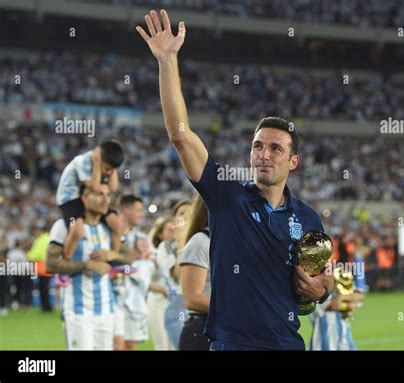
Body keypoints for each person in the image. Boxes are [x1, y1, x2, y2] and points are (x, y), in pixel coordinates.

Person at [136, 9, 334, 350]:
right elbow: (181, 137)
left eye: (275, 148)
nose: (264, 154)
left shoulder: (308, 218)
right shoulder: (226, 194)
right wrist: (167, 61)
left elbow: (322, 278)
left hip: (288, 344)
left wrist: (323, 290)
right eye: (258, 146)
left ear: (294, 161)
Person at [46, 184, 132, 350]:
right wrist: (85, 265)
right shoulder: (64, 226)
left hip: (107, 309)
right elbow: (50, 263)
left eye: (107, 194)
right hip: (77, 311)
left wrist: (113, 255)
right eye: (99, 194)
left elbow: (128, 258)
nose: (106, 199)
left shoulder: (109, 227)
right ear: (84, 198)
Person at [56, 141, 124, 260]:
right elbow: (94, 186)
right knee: (77, 230)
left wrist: (112, 169)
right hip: (70, 199)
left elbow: (113, 187)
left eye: (112, 170)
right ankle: (66, 260)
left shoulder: (107, 164)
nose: (108, 173)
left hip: (90, 198)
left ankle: (112, 260)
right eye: (107, 168)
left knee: (117, 225)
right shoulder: (82, 161)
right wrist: (97, 164)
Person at [156, 200, 191, 349]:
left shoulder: (208, 239)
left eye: (191, 212)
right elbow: (177, 275)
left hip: (207, 307)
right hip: (180, 307)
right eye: (182, 213)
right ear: (174, 221)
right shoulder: (166, 246)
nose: (187, 216)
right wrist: (185, 239)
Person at [112, 194, 146, 350]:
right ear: (126, 210)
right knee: (115, 344)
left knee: (130, 345)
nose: (141, 214)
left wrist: (145, 256)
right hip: (112, 295)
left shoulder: (139, 237)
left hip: (133, 298)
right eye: (138, 210)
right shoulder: (111, 233)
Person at [178, 194, 210, 350]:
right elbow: (192, 298)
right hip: (202, 329)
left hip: (225, 329)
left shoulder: (226, 241)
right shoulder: (200, 241)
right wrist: (234, 310)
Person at [148, 217, 174, 350]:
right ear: (160, 234)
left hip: (174, 303)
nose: (173, 233)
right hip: (158, 302)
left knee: (176, 344)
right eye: (169, 230)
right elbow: (142, 281)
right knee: (162, 345)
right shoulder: (150, 254)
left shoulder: (177, 254)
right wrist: (162, 289)